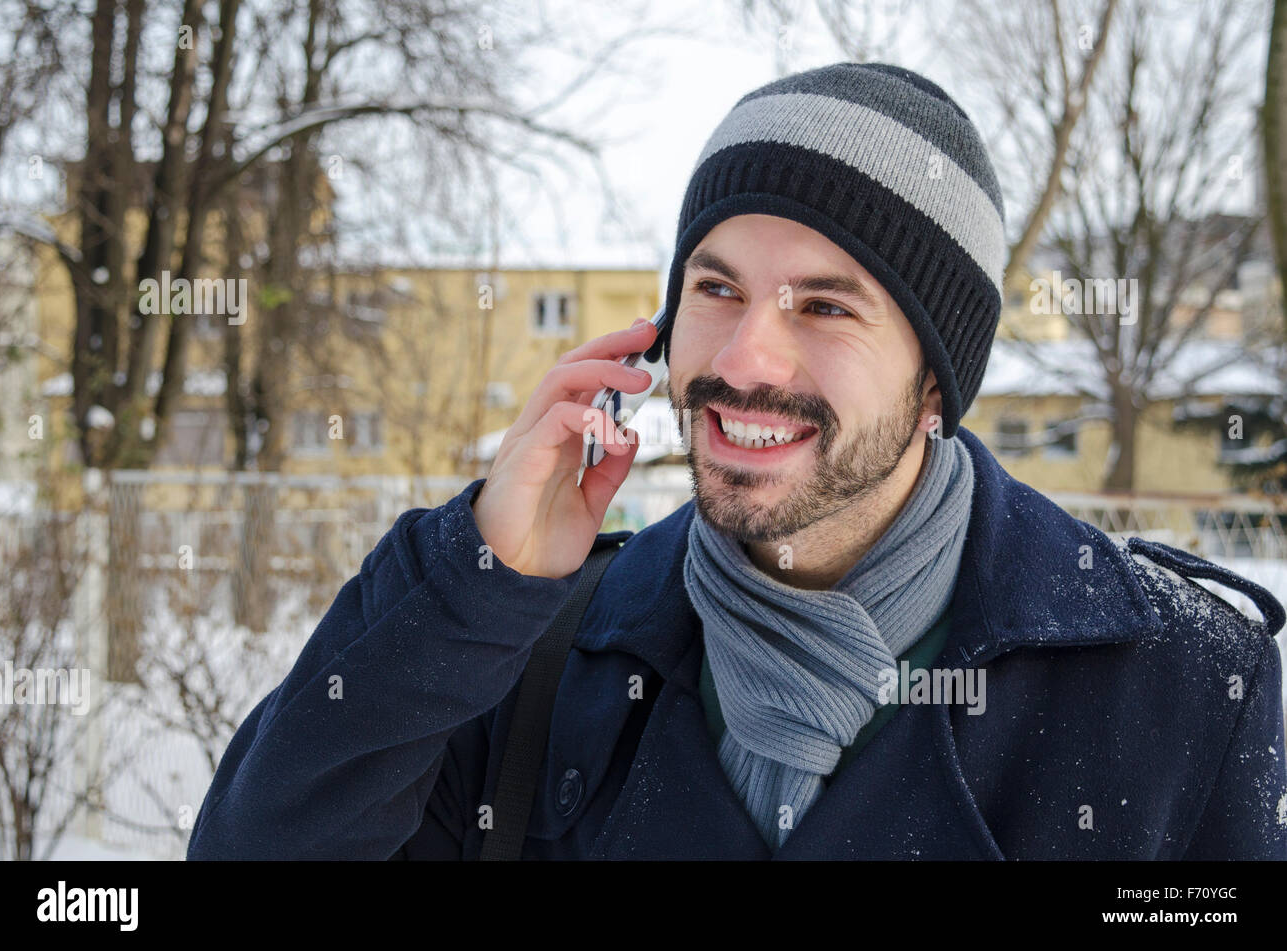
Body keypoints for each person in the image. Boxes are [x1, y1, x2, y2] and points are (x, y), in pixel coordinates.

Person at [187, 62, 1287, 860]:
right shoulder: (531, 652)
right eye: (714, 289)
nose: (744, 357)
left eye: (824, 304)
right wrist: (474, 576)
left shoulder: (1176, 682)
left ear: (936, 384)